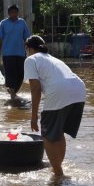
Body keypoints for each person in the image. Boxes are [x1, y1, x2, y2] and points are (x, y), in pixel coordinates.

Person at [24, 35, 86, 177]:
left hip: (59, 92)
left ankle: (58, 174)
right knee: (58, 133)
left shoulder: (30, 60)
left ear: (28, 48)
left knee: (48, 135)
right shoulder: (54, 59)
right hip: (79, 91)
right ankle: (57, 169)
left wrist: (34, 116)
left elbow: (36, 89)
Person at [0, 5, 32, 100]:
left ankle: (12, 91)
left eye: (16, 12)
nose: (14, 14)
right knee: (11, 74)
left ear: (18, 13)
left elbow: (27, 38)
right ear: (9, 13)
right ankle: (12, 94)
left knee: (21, 74)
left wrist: (31, 51)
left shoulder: (22, 23)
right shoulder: (3, 23)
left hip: (21, 53)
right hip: (8, 53)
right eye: (12, 12)